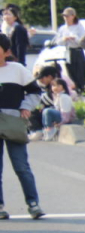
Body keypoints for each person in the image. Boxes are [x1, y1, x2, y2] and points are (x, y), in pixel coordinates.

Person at [0, 34, 45, 220]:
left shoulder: (17, 69)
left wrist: (26, 107)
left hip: (14, 124)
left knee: (21, 166)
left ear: (6, 51)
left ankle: (33, 203)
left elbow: (35, 91)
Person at [55, 7, 85, 90]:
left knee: (81, 70)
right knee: (70, 70)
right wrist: (64, 39)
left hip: (77, 51)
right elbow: (58, 41)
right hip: (67, 51)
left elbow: (83, 40)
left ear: (73, 16)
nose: (66, 18)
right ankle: (76, 86)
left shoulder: (78, 26)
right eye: (64, 16)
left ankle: (83, 87)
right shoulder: (62, 28)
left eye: (68, 16)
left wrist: (75, 38)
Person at [39, 77, 75, 141]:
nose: (55, 87)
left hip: (65, 119)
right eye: (53, 86)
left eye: (58, 86)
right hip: (61, 116)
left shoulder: (64, 97)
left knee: (48, 111)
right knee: (45, 110)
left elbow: (66, 114)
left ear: (63, 87)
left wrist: (60, 124)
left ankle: (50, 130)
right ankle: (47, 129)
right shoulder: (57, 96)